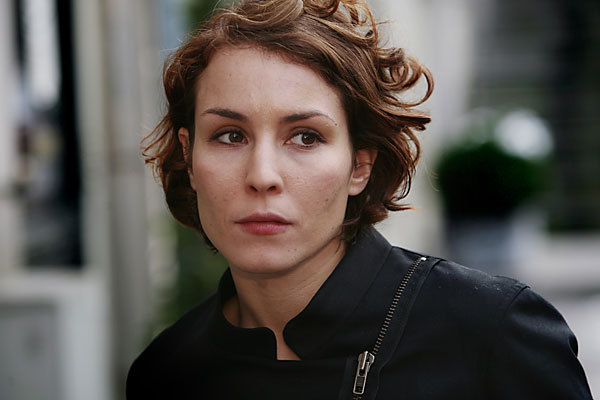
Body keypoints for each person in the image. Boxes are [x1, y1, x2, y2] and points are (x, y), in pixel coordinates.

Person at [126, 0, 593, 398]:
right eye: (230, 135)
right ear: (188, 157)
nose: (262, 175)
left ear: (359, 166)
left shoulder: (494, 335)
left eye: (305, 137)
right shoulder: (166, 372)